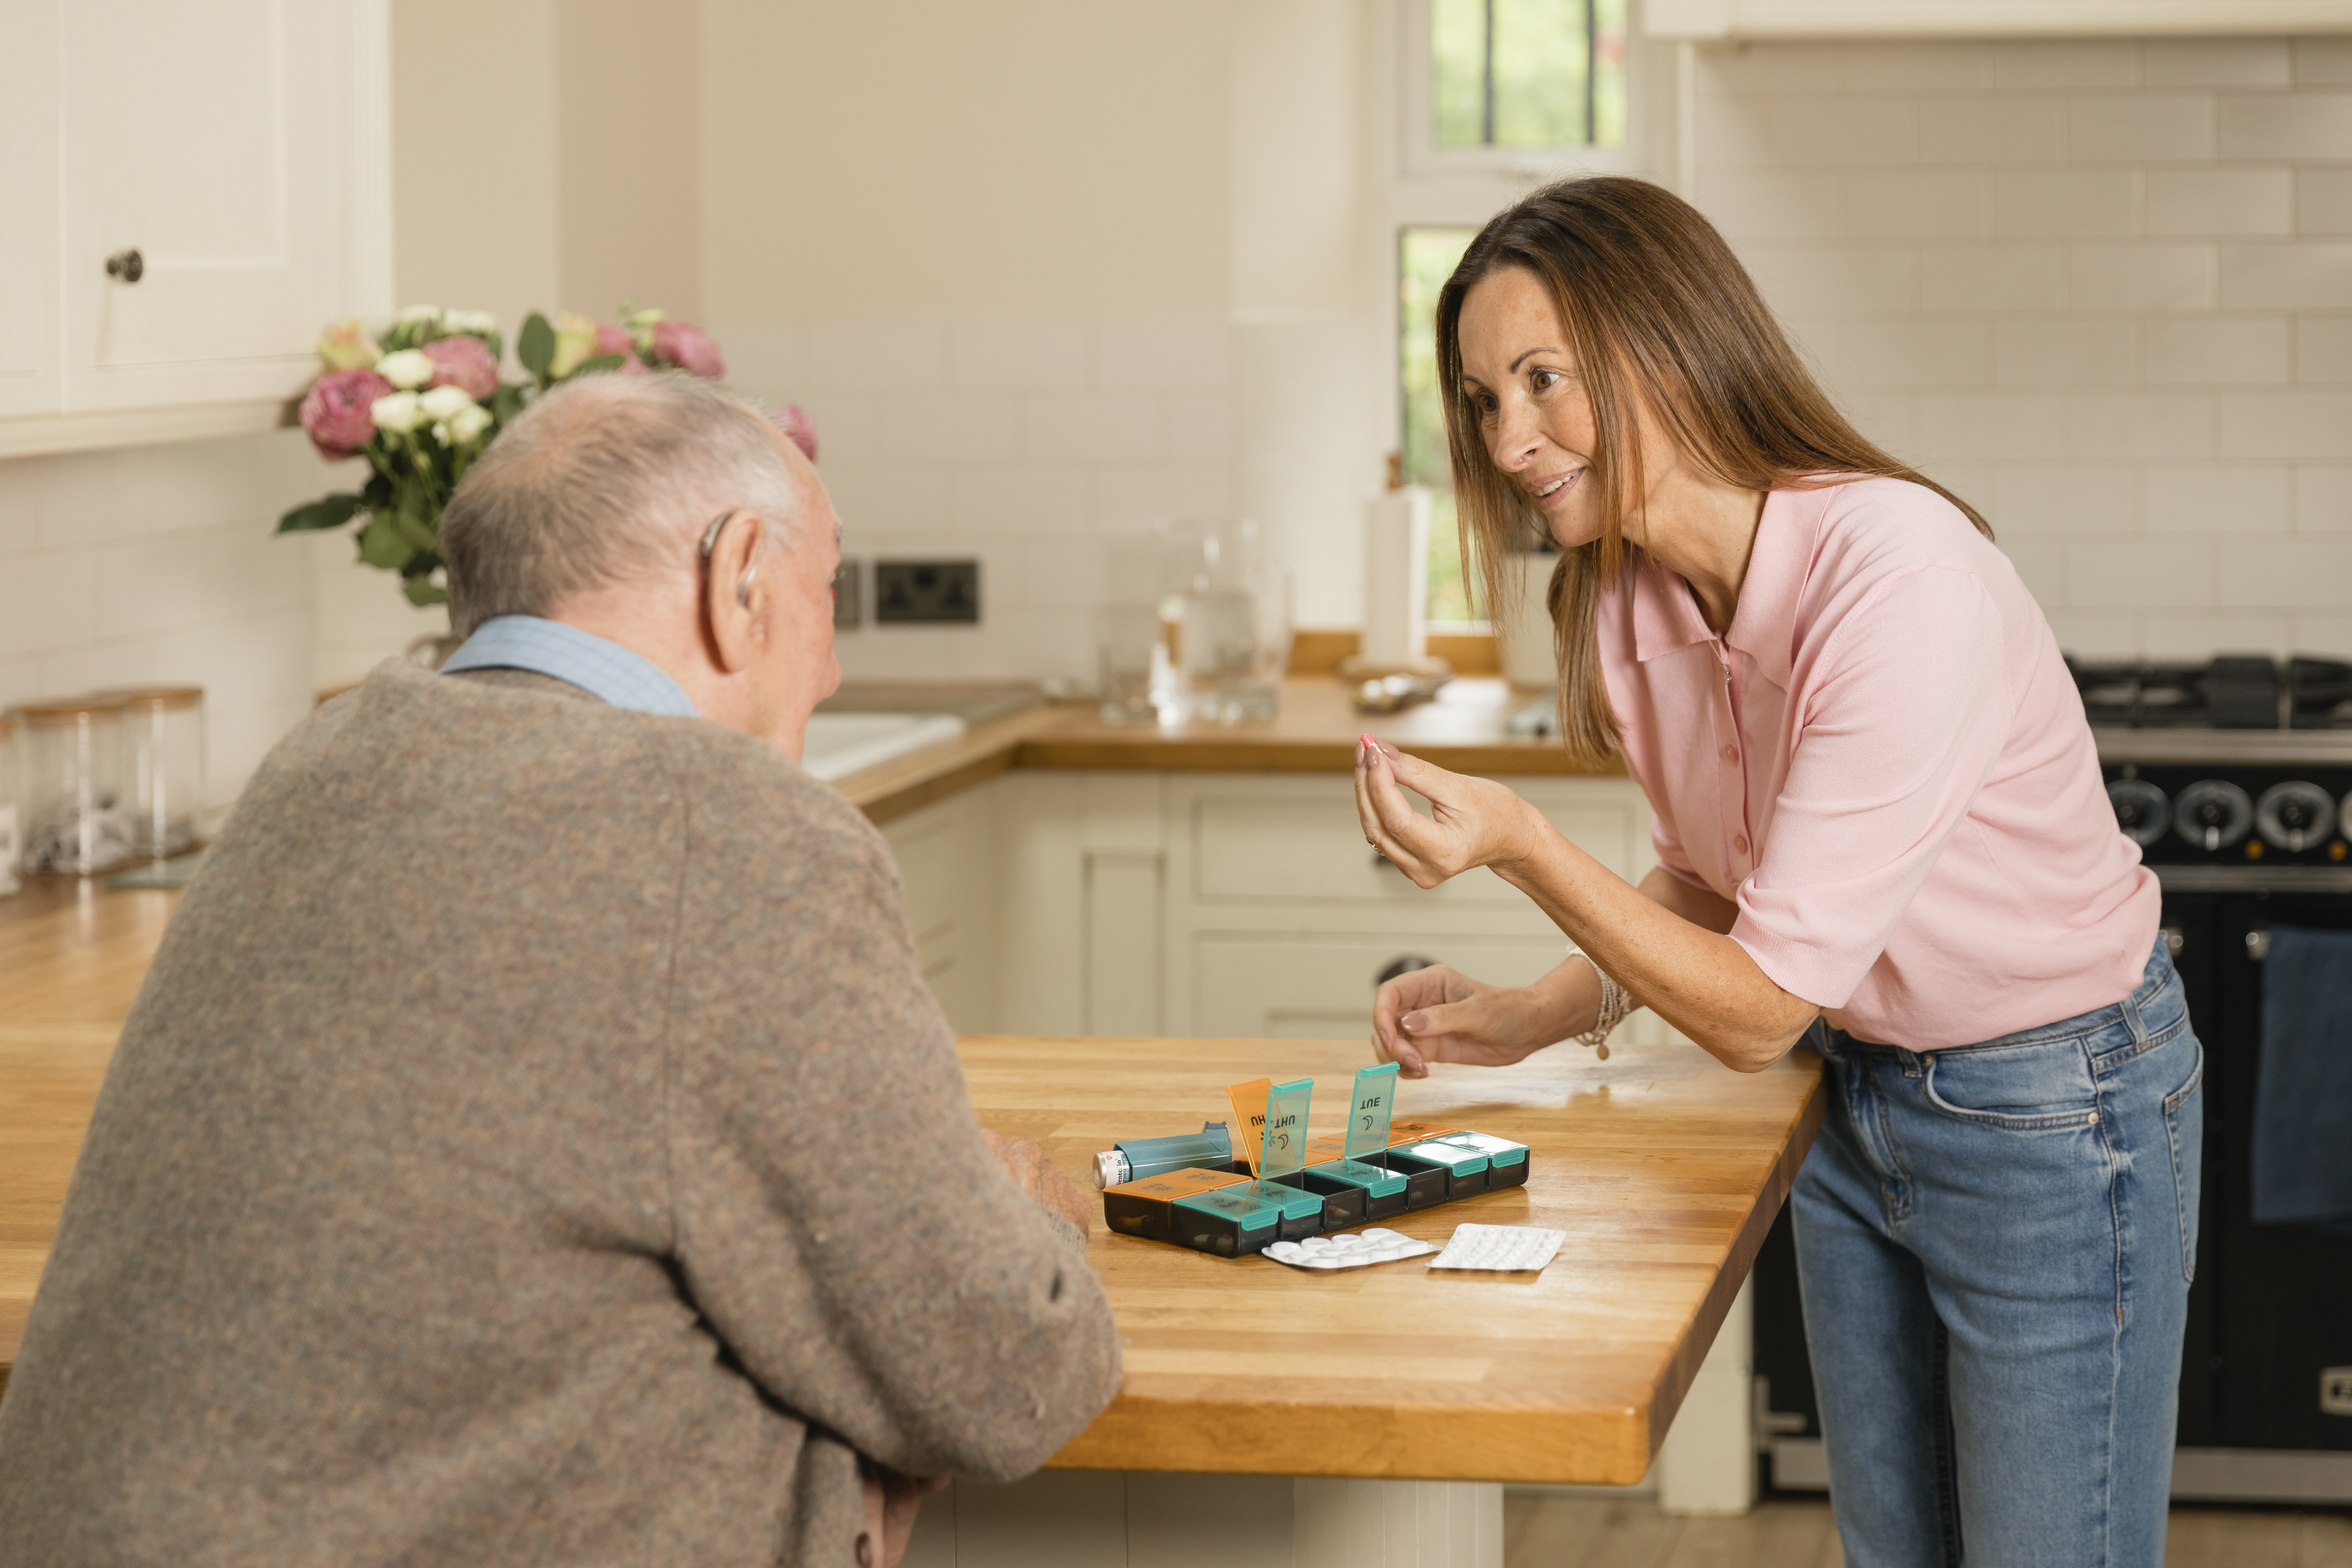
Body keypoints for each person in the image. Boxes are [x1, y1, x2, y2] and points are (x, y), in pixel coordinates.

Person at [0, 374, 1121, 1568]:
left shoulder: (315, 761)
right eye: (827, 592)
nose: (832, 668)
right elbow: (1009, 1370)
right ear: (741, 577)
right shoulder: (730, 829)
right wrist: (1022, 1216)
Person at [1354, 177, 2197, 1568]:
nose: (1508, 437)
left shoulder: (1897, 578)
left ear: (1666, 342)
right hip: (1852, 1106)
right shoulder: (1626, 598)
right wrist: (1528, 1014)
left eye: (1543, 380)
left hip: (2055, 1113)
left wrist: (1521, 844)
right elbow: (1708, 880)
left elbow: (1754, 1009)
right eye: (1483, 398)